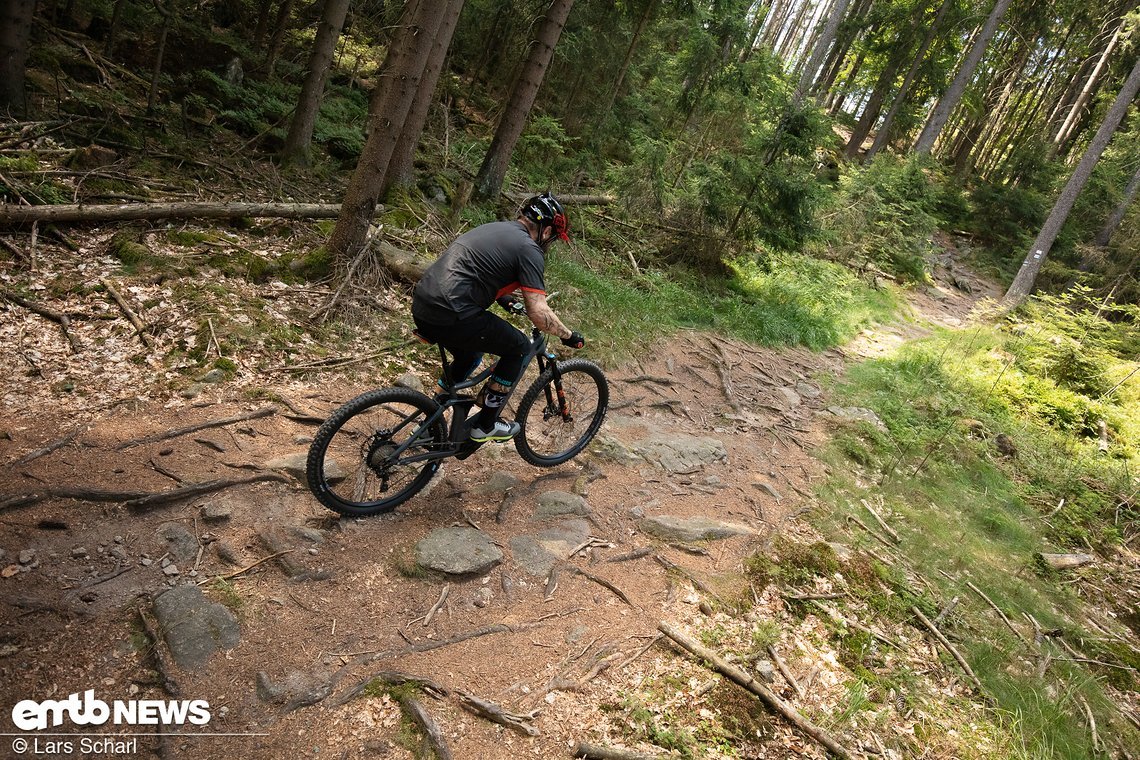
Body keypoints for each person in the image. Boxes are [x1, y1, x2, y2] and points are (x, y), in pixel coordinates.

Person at [411, 192, 585, 443]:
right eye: (553, 239)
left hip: (424, 304)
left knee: (469, 354)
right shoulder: (529, 249)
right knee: (519, 348)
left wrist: (505, 300)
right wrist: (568, 335)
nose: (550, 244)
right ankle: (485, 425)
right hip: (453, 312)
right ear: (546, 232)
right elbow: (538, 312)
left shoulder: (495, 228)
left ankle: (430, 416)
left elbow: (476, 270)